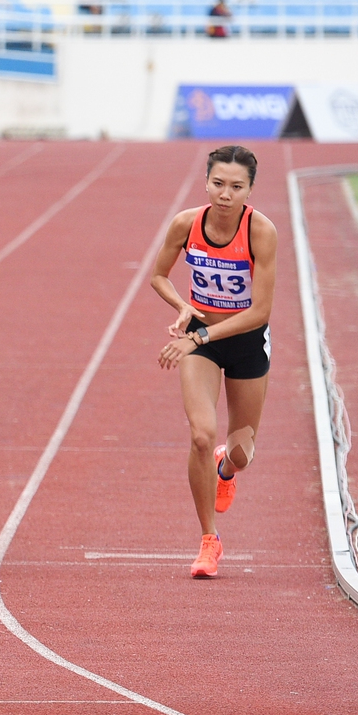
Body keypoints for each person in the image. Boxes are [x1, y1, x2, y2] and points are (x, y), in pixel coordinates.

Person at [147, 145, 277, 579]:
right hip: (199, 342)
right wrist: (182, 306)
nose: (225, 194)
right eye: (218, 184)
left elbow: (260, 312)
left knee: (242, 452)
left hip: (244, 341)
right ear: (206, 182)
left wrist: (202, 333)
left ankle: (226, 469)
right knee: (201, 434)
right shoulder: (187, 224)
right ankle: (209, 540)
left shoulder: (261, 232)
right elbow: (158, 275)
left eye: (236, 186)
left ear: (250, 190)